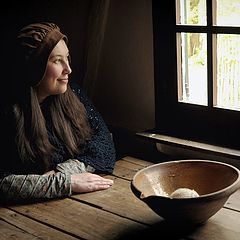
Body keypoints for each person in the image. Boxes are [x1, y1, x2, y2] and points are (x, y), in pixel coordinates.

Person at [0, 22, 116, 202]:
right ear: (34, 68)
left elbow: (104, 143)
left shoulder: (73, 93)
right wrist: (64, 183)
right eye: (56, 61)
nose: (68, 69)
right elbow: (2, 183)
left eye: (67, 58)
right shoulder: (8, 113)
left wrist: (60, 173)